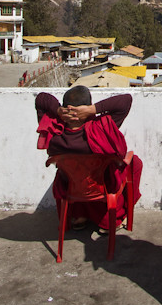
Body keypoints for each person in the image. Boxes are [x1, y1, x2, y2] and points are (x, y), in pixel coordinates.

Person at [36, 86, 142, 232]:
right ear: (85, 108)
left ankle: (79, 216)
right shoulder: (99, 130)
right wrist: (93, 110)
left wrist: (58, 111)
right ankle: (111, 221)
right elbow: (125, 100)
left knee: (75, 173)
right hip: (101, 187)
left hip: (70, 187)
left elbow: (41, 98)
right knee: (134, 162)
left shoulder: (54, 132)